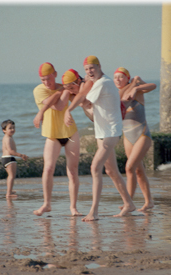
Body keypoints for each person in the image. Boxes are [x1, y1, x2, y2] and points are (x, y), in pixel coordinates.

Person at [64, 55, 136, 220]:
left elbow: (84, 99)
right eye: (87, 69)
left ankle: (94, 212)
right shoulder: (97, 83)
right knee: (111, 170)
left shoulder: (103, 83)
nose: (89, 71)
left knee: (95, 167)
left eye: (92, 68)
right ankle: (129, 204)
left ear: (99, 66)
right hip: (102, 131)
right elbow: (91, 113)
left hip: (111, 131)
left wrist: (69, 110)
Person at [32, 62, 82, 217]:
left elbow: (80, 95)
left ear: (55, 74)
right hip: (52, 135)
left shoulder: (65, 86)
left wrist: (67, 89)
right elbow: (55, 106)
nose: (47, 82)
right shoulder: (39, 90)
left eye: (49, 78)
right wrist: (61, 89)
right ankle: (46, 204)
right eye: (43, 79)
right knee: (48, 168)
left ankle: (73, 208)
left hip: (70, 133)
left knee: (72, 171)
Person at [113, 67, 156, 212]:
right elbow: (120, 98)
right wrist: (133, 84)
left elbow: (153, 86)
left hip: (142, 135)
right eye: (115, 77)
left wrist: (137, 84)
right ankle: (148, 202)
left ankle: (128, 203)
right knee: (138, 170)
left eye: (121, 77)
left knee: (129, 168)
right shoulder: (117, 94)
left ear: (127, 78)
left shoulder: (136, 91)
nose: (118, 80)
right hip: (128, 137)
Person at [1, 119, 28, 198]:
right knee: (11, 176)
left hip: (5, 158)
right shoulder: (8, 138)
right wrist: (21, 155)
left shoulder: (6, 137)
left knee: (10, 176)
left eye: (13, 128)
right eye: (10, 128)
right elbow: (10, 151)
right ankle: (8, 193)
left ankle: (10, 190)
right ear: (4, 130)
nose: (12, 129)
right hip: (9, 159)